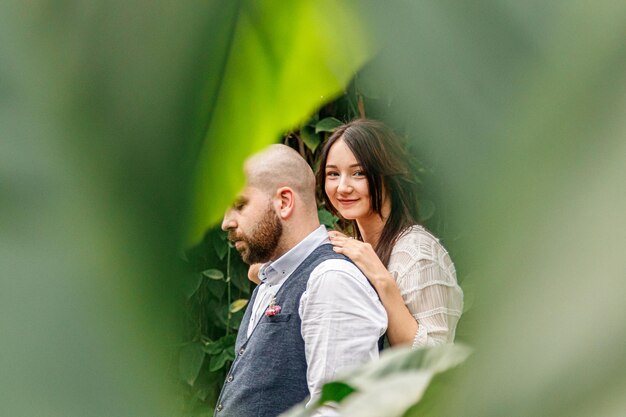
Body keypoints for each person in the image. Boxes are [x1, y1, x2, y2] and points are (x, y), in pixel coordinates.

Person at [216, 144, 387, 417]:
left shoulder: (332, 280)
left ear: (284, 202)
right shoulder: (272, 277)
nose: (226, 222)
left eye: (239, 205)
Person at [317, 118, 463, 348]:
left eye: (359, 173)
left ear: (387, 176)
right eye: (333, 174)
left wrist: (382, 279)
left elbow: (434, 359)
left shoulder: (417, 253)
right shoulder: (357, 247)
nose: (343, 187)